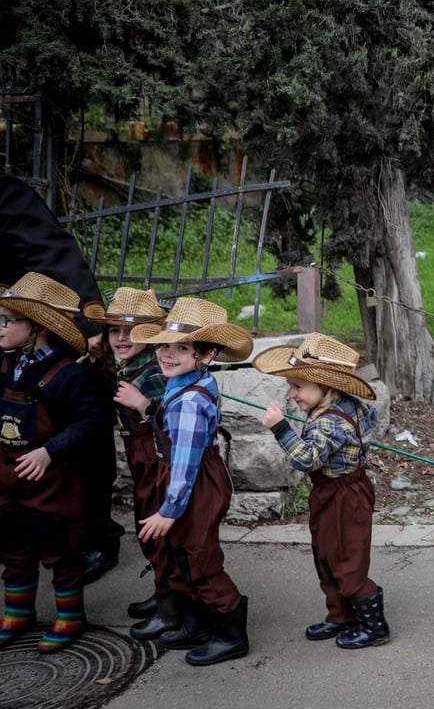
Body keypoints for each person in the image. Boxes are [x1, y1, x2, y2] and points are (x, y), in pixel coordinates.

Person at [114, 297, 253, 666]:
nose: (168, 355)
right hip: (182, 474)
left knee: (198, 554)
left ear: (206, 355)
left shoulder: (190, 400)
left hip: (194, 480)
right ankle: (197, 623)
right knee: (181, 551)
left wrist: (169, 510)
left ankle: (230, 633)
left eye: (182, 348)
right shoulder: (181, 383)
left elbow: (186, 463)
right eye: (164, 346)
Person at [0, 176, 121, 583]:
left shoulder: (6, 196)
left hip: (52, 332)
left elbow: (53, 254)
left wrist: (89, 323)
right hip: (7, 340)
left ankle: (94, 537)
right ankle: (25, 538)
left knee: (81, 436)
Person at [253, 333, 389, 650]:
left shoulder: (328, 423)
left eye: (298, 387)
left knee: (346, 559)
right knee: (327, 554)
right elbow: (367, 422)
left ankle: (374, 626)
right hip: (332, 491)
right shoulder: (346, 405)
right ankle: (341, 615)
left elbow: (304, 460)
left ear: (325, 386)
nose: (292, 394)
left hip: (345, 495)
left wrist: (280, 427)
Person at [0, 272, 109, 653]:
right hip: (8, 476)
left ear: (36, 328)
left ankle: (69, 615)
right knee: (13, 545)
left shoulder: (70, 376)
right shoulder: (3, 364)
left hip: (53, 481)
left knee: (61, 548)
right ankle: (17, 611)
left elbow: (93, 422)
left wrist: (51, 451)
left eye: (6, 321)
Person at [82, 288, 170, 633]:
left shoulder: (154, 374)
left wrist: (142, 404)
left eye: (131, 330)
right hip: (139, 457)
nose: (121, 338)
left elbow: (172, 423)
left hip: (158, 460)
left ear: (149, 334)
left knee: (158, 529)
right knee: (145, 524)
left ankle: (171, 605)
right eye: (114, 330)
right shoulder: (127, 366)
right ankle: (164, 589)